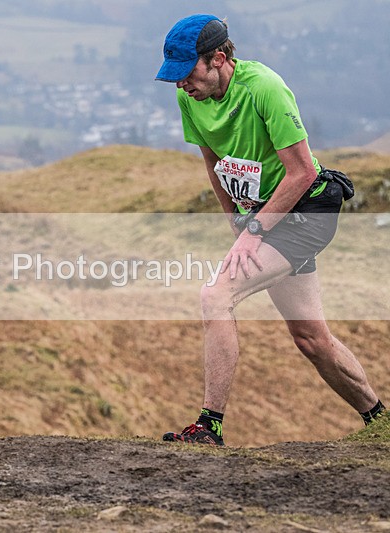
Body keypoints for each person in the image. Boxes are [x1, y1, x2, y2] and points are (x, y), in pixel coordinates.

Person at [155, 14, 385, 445]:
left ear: (219, 58)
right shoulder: (190, 98)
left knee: (215, 295)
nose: (181, 84)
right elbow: (214, 162)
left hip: (308, 208)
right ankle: (379, 418)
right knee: (312, 339)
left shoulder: (265, 87)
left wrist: (253, 231)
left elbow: (299, 172)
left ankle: (209, 427)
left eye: (188, 74)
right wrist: (233, 221)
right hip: (268, 215)